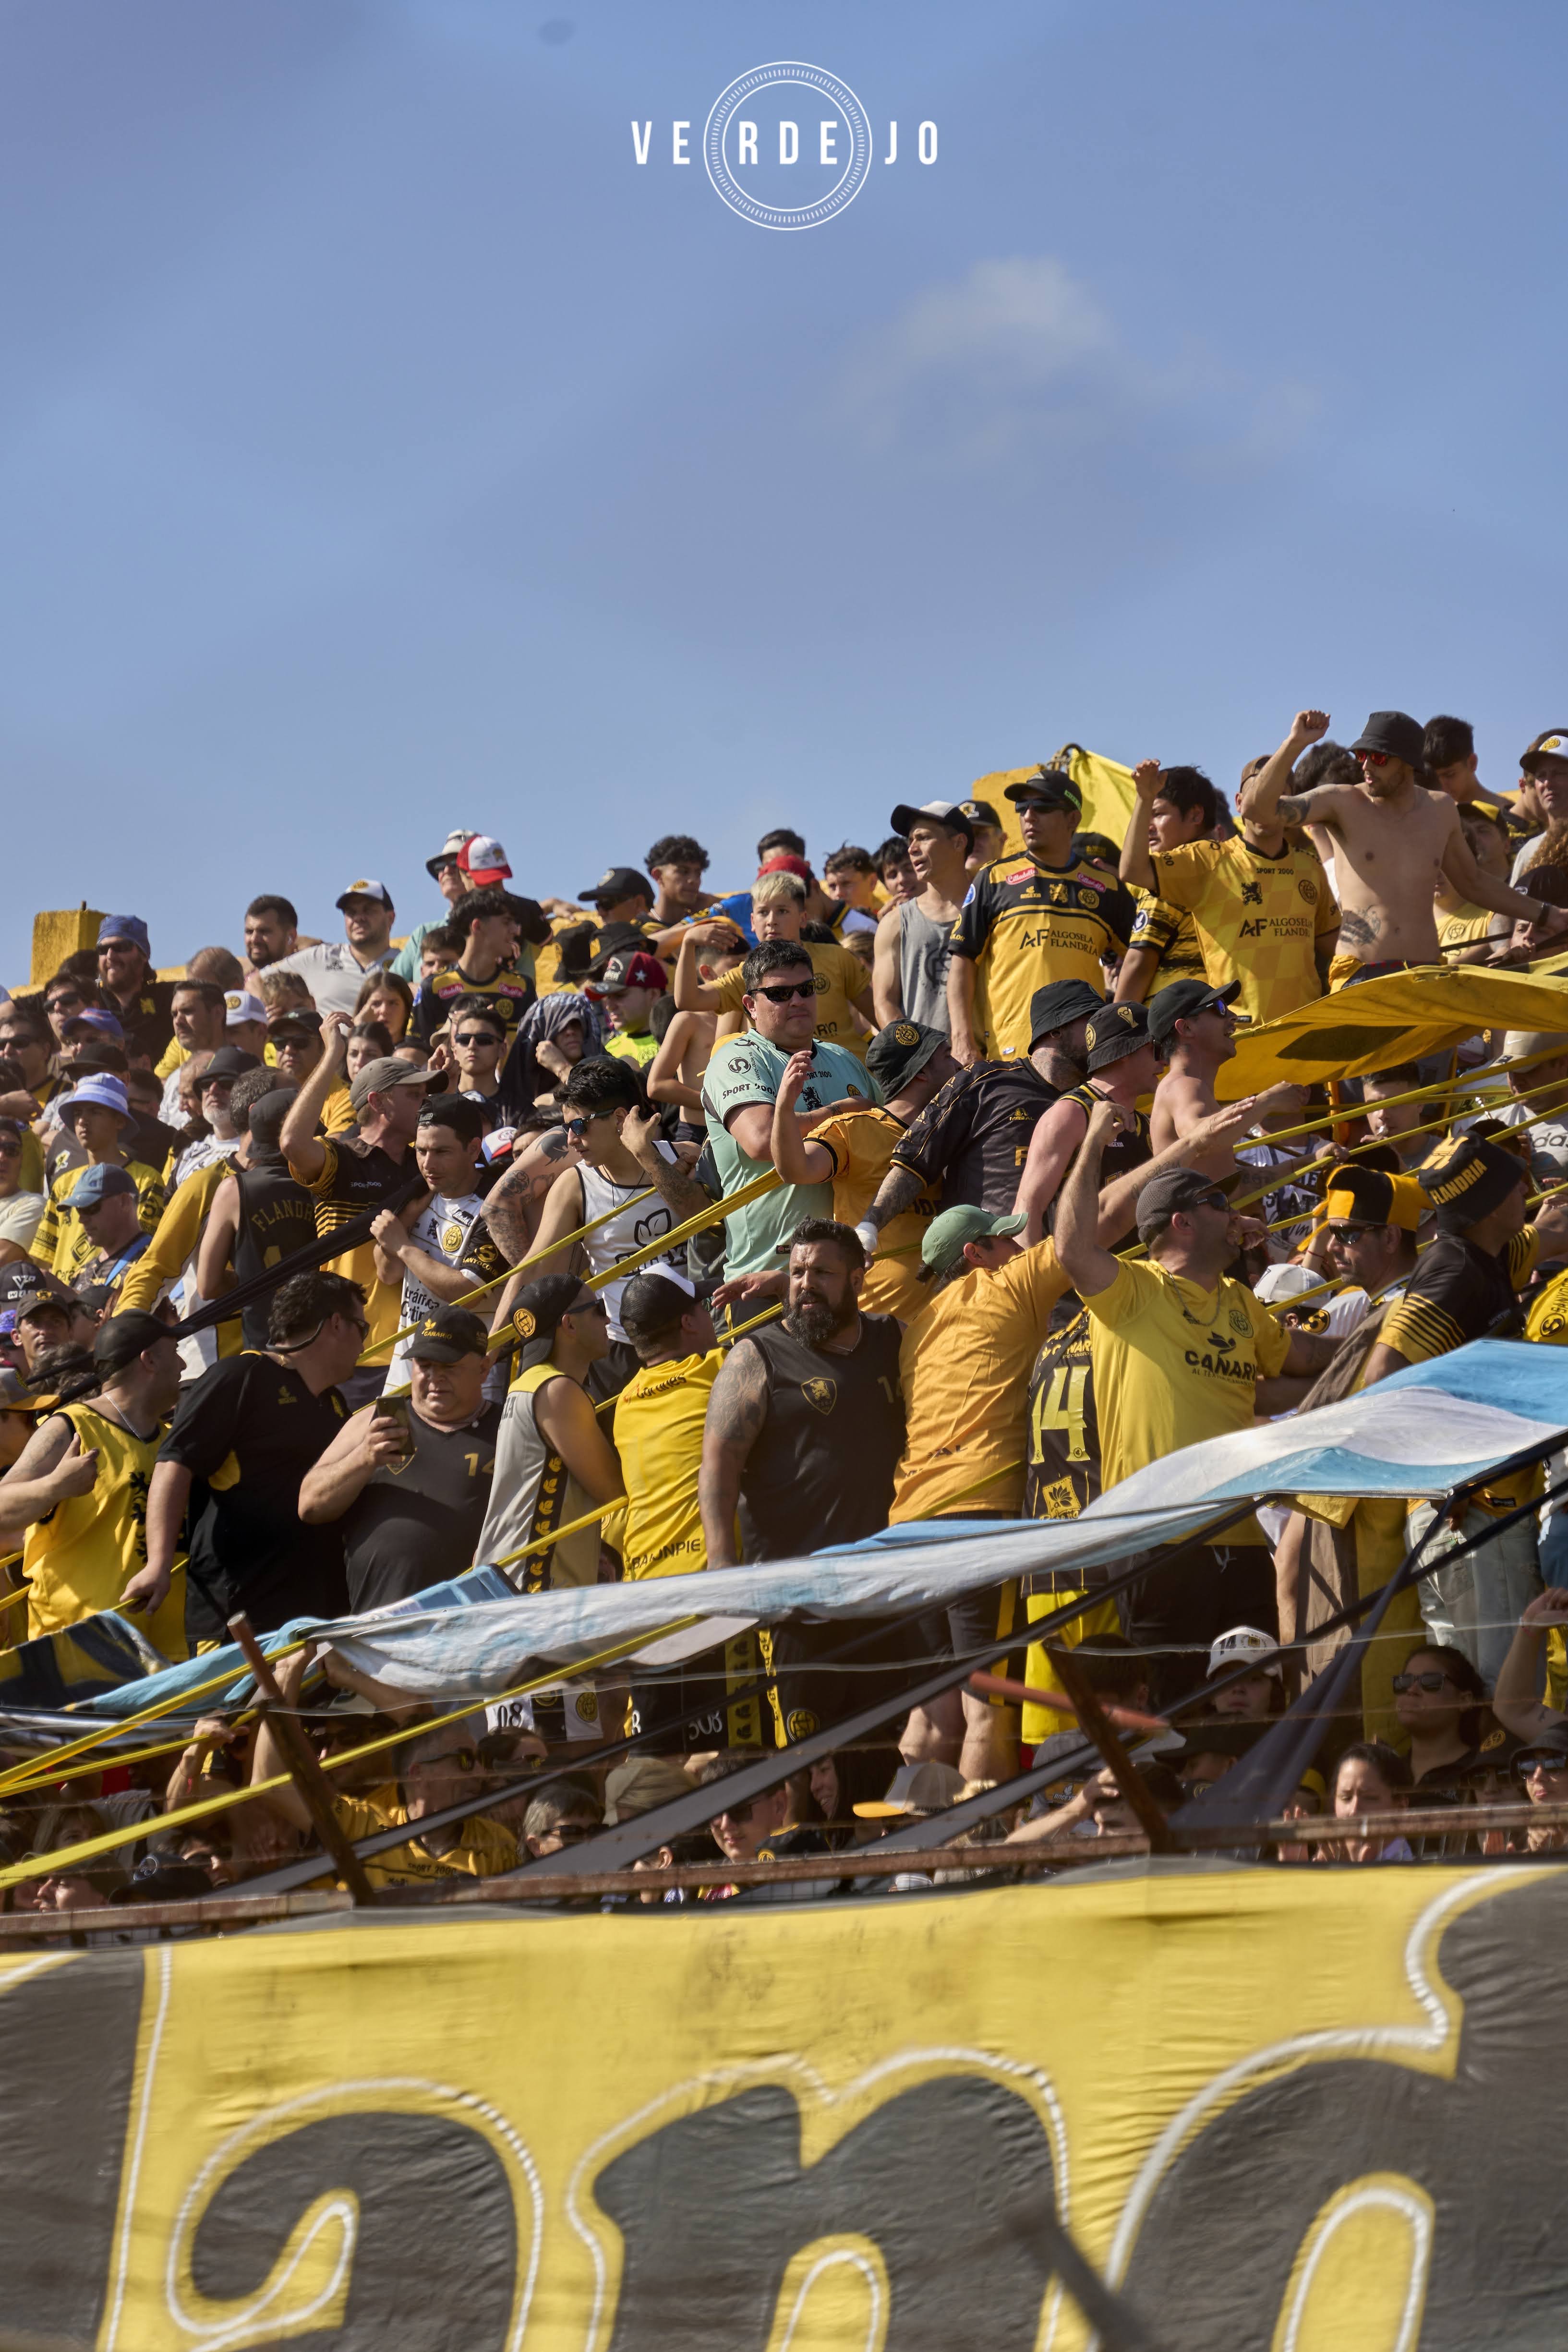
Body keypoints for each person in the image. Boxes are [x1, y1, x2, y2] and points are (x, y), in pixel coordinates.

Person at [1054, 1102, 1337, 1697]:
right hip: (1158, 1539)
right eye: (1220, 1207)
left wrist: (1383, 1337)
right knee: (1170, 1705)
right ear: (1181, 1222)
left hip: (1238, 1533)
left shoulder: (1239, 1301)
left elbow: (1302, 1365)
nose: (1237, 1218)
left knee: (1257, 1701)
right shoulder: (1131, 1290)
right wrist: (1092, 1147)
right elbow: (1071, 1248)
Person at [700, 1219, 911, 1746]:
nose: (804, 1284)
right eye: (796, 1272)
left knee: (888, 1754)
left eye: (822, 1272)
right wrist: (721, 1565)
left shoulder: (895, 1339)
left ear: (857, 1279)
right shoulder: (757, 1356)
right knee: (803, 1764)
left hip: (887, 1590)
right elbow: (718, 1464)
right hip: (796, 1600)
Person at [1238, 707, 1566, 983]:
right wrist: (1294, 743)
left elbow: (1474, 883)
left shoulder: (1439, 809)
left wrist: (1548, 914)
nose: (1366, 766)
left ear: (1408, 763)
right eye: (1362, 755)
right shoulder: (1340, 802)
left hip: (1424, 974)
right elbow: (1257, 809)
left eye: (1378, 757)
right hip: (1360, 975)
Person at [136, 1269, 364, 1641]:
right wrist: (159, 1563)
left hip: (311, 1622)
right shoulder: (241, 1375)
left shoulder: (335, 1404)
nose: (364, 1343)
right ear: (336, 1324)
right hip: (237, 1622)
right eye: (363, 1329)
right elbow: (174, 1462)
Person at [611, 1269, 769, 1753]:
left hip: (643, 1597)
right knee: (737, 1767)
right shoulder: (719, 1367)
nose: (711, 1314)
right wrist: (783, 1288)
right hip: (709, 1593)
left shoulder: (624, 1401)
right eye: (703, 1307)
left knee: (661, 1769)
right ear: (687, 1322)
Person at [505, 1056, 709, 1397]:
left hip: (692, 1335)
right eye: (566, 1127)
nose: (571, 1139)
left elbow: (701, 1216)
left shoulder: (684, 1156)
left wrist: (648, 1155)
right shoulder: (574, 1185)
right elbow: (533, 1266)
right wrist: (496, 1340)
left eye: (580, 1126)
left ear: (619, 1120)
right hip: (622, 1349)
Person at [253, 1646, 518, 1889]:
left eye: (479, 1761)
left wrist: (344, 1674)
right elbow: (270, 1785)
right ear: (418, 1774)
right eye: (465, 1761)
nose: (481, 1774)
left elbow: (419, 1716)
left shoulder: (497, 1843)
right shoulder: (360, 1824)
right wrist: (289, 1672)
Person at [0, 1310, 186, 1654]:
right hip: (80, 1658)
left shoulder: (173, 1440)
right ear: (149, 1360)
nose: (184, 1366)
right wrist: (55, 1486)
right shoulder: (71, 1427)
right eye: (175, 1353)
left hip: (166, 1660)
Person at [697, 939, 877, 1290]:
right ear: (750, 1005)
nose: (797, 1001)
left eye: (806, 989)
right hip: (763, 1277)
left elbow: (888, 1124)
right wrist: (842, 1112)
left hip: (844, 1276)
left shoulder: (844, 1058)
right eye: (779, 994)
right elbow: (763, 1140)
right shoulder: (736, 1059)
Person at [298, 1305, 502, 1612]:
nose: (435, 1377)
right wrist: (364, 1458)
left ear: (484, 1368)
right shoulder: (384, 1417)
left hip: (470, 1627)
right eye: (424, 1365)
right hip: (376, 1630)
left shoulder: (507, 1427)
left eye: (449, 1366)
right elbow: (310, 1505)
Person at [859, 978, 1101, 1232]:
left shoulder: (1100, 1100)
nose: (1104, 1033)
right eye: (1092, 1021)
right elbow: (915, 1163)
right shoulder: (985, 1081)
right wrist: (869, 1229)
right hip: (985, 1264)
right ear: (1056, 1030)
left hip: (1071, 1261)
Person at [1117, 756, 1339, 1021]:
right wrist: (1144, 798)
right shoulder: (1206, 861)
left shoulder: (1310, 868)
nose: (1266, 805)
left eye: (1277, 797)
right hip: (1234, 1036)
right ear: (1239, 803)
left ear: (1291, 806)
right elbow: (1132, 872)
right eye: (1258, 795)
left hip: (1300, 1033)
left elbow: (1340, 948)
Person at [769, 1020, 960, 1320]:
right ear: (922, 1072)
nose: (960, 1065)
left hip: (950, 1313)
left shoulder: (956, 1131)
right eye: (948, 1057)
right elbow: (795, 1170)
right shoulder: (854, 1129)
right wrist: (784, 1108)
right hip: (881, 1319)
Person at [281, 1016, 436, 1383]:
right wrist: (332, 1053)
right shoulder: (343, 1159)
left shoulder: (427, 1164)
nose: (426, 1104)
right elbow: (292, 1143)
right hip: (351, 1356)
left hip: (414, 1349)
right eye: (415, 1095)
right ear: (379, 1102)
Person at [946, 766, 1136, 1064]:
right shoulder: (993, 878)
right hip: (1011, 1051)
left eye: (1043, 807)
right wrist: (961, 1037)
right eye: (1022, 807)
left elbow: (1141, 959)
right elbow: (962, 962)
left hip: (1085, 1052)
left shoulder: (1108, 887)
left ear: (1073, 818)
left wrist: (1118, 1024)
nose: (1029, 816)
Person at [473, 1272, 624, 1591]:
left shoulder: (525, 1385)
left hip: (505, 1580)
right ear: (569, 1325)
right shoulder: (557, 1391)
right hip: (534, 1587)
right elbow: (614, 1491)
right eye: (598, 1308)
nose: (608, 1317)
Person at [370, 1095, 508, 1395]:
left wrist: (404, 1247)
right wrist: (401, 1227)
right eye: (421, 1151)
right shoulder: (418, 1194)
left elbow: (467, 1293)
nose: (428, 1164)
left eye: (441, 1151)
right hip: (407, 1371)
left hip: (470, 1379)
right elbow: (388, 1274)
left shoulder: (495, 1207)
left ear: (473, 1148)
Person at [677, 871, 876, 1063]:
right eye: (764, 912)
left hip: (855, 1079)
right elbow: (688, 1000)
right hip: (789, 1088)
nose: (772, 921)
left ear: (803, 919)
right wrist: (688, 944)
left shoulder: (838, 957)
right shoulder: (745, 974)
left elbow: (879, 1016)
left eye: (782, 911)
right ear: (753, 922)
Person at [1016, 998, 1159, 1242]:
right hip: (1076, 1277)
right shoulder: (1071, 1113)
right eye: (1154, 1048)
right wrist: (1034, 1281)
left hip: (1131, 1275)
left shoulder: (1145, 1124)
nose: (1164, 1060)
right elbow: (1027, 1209)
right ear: (1125, 1051)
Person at [195, 1083, 318, 1351]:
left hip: (265, 1346)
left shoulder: (233, 1191)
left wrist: (250, 1276)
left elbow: (207, 1286)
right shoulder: (330, 1183)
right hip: (325, 1342)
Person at [1148, 978, 1302, 1189]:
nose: (1233, 1016)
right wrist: (1268, 1101)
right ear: (1186, 1027)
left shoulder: (1189, 1086)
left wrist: (1309, 1163)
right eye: (1220, 1009)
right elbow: (1200, 1139)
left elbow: (1227, 1184)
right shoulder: (1182, 1085)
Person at [29, 1075, 166, 1284]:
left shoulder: (147, 1180)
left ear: (120, 1121)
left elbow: (145, 1252)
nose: (82, 1120)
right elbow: (43, 1256)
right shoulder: (64, 1183)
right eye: (78, 1113)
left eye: (95, 1111)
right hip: (64, 1308)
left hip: (114, 1301)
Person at [1113, 765, 1220, 1000]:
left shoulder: (1175, 874)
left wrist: (1116, 1026)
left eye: (1159, 814)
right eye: (1145, 815)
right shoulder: (1230, 862)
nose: (1148, 827)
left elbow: (1139, 964)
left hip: (1175, 1025)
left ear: (1195, 815)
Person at [872, 800, 974, 1030]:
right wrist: (918, 1054)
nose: (912, 849)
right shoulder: (894, 923)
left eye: (924, 838)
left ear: (959, 843)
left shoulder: (992, 912)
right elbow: (884, 1002)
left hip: (994, 1060)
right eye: (910, 840)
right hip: (924, 1065)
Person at [411, 882, 551, 1049]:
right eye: (507, 922)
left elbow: (534, 1054)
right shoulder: (433, 987)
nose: (516, 930)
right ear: (478, 927)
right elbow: (415, 1054)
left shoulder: (522, 987)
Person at [646, 931, 747, 1129]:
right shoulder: (688, 1021)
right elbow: (657, 1085)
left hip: (740, 1130)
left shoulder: (750, 1016)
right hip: (697, 1131)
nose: (745, 973)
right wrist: (714, 1104)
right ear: (707, 973)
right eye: (736, 966)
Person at [274, 879, 400, 1016]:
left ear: (391, 918)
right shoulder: (319, 957)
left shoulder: (406, 963)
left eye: (368, 910)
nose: (359, 918)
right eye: (351, 912)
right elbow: (257, 980)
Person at [388, 831, 478, 984]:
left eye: (456, 863)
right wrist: (419, 991)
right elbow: (388, 987)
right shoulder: (423, 934)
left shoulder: (502, 930)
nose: (447, 871)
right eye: (441, 866)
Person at [95, 915, 177, 1062]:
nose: (110, 956)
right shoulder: (88, 1000)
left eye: (120, 947)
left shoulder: (170, 999)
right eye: (103, 949)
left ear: (143, 955)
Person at [265, 1004, 356, 1134]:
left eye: (300, 1042)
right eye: (280, 1043)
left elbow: (334, 1152)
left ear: (323, 1047)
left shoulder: (345, 1098)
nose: (289, 1050)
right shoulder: (267, 1093)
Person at [61, 1165, 150, 1295]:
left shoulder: (153, 1259)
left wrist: (70, 1296)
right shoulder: (81, 1273)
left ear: (124, 1202)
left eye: (90, 1207)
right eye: (79, 1210)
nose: (82, 1219)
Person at [1327, 1742, 1414, 1863]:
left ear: (1401, 1807)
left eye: (1370, 1798)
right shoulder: (1324, 1863)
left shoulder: (1411, 1873)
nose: (1354, 1811)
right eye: (1346, 1798)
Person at [155, 981, 229, 1117]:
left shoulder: (244, 1073)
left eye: (187, 1011)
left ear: (218, 1013)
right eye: (174, 1014)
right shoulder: (173, 1082)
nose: (178, 1021)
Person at [592, 948, 668, 1071]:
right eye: (608, 997)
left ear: (653, 995)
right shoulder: (608, 1051)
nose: (609, 1006)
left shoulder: (680, 1039)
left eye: (620, 995)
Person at [645, 832, 713, 938]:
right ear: (658, 876)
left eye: (698, 873)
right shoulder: (637, 930)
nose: (693, 880)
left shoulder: (707, 925)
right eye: (683, 872)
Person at [0, 1119, 44, 1265]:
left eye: (11, 1151)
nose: (2, 1157)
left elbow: (3, 1258)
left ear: (21, 1159)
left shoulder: (34, 1205)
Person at [820, 844, 883, 933]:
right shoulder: (821, 931)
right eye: (832, 886)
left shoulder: (895, 915)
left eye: (846, 884)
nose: (838, 893)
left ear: (872, 882)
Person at [242, 893, 301, 972]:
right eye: (249, 932)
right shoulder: (237, 980)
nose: (254, 939)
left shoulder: (309, 979)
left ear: (291, 936)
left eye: (264, 931)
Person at [958, 796, 1007, 873]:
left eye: (980, 834)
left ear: (1001, 841)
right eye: (963, 837)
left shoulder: (1024, 883)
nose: (971, 842)